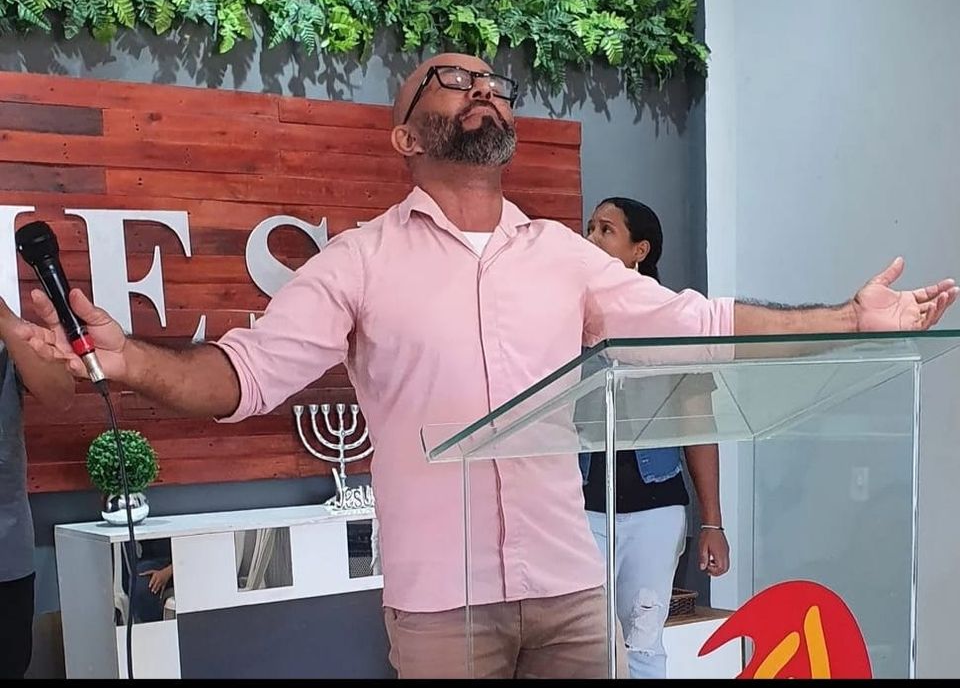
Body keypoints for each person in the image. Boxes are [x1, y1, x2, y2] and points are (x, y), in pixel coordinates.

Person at [15, 52, 957, 679]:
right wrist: (131, 359)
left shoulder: (562, 255)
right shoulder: (358, 261)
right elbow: (245, 375)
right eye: (450, 79)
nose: (481, 87)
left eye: (491, 80)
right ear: (406, 137)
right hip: (441, 609)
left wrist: (849, 318)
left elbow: (697, 323)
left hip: (570, 591)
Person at [580, 197, 729, 679]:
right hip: (579, 508)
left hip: (655, 509)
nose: (592, 238)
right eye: (590, 228)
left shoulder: (675, 321)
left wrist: (713, 523)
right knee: (581, 645)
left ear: (639, 250)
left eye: (606, 230)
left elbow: (698, 425)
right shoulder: (570, 319)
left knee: (642, 643)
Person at [0, 295, 75, 679]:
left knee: (11, 663)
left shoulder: (10, 336)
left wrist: (6, 322)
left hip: (6, 551)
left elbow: (61, 395)